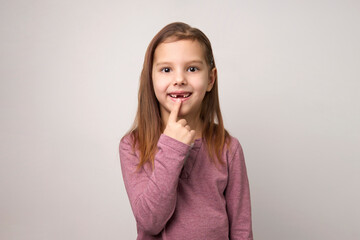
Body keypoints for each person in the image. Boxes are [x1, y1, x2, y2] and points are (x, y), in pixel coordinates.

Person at [119, 22, 253, 240]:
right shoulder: (133, 145)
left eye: (192, 69)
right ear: (151, 79)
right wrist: (172, 147)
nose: (179, 79)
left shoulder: (228, 148)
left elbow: (241, 229)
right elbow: (150, 222)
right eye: (166, 69)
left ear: (210, 79)